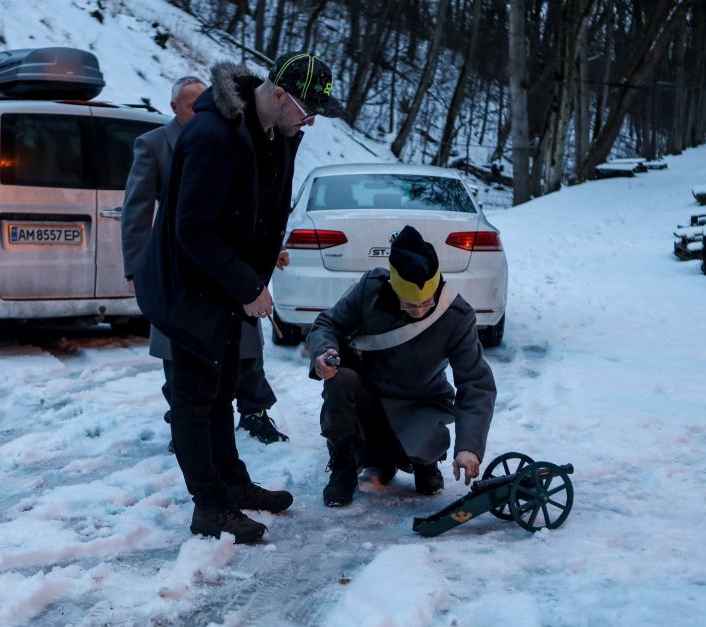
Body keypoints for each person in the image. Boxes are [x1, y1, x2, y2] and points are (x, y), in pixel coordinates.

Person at [135, 53, 344, 543]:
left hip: (226, 288)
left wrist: (255, 276)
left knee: (223, 390)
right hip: (188, 289)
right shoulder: (213, 136)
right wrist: (249, 286)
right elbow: (193, 228)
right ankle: (209, 506)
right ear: (276, 95)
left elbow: (263, 214)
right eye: (305, 109)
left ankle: (233, 484)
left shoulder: (279, 135)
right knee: (192, 400)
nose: (309, 120)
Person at [121, 76, 289, 449]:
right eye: (189, 105)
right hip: (180, 272)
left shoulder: (234, 136)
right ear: (174, 108)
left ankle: (254, 410)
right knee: (182, 358)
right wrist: (135, 267)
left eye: (203, 102)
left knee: (244, 349)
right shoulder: (154, 145)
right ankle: (185, 423)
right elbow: (136, 210)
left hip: (227, 273)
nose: (199, 110)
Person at [307, 225, 497, 507]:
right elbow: (328, 324)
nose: (419, 311)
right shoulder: (370, 289)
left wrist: (469, 448)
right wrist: (324, 353)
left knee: (425, 443)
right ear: (393, 287)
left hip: (421, 401)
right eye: (409, 305)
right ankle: (342, 468)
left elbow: (476, 383)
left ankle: (425, 462)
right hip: (369, 396)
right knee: (339, 381)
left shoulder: (458, 315)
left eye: (426, 303)